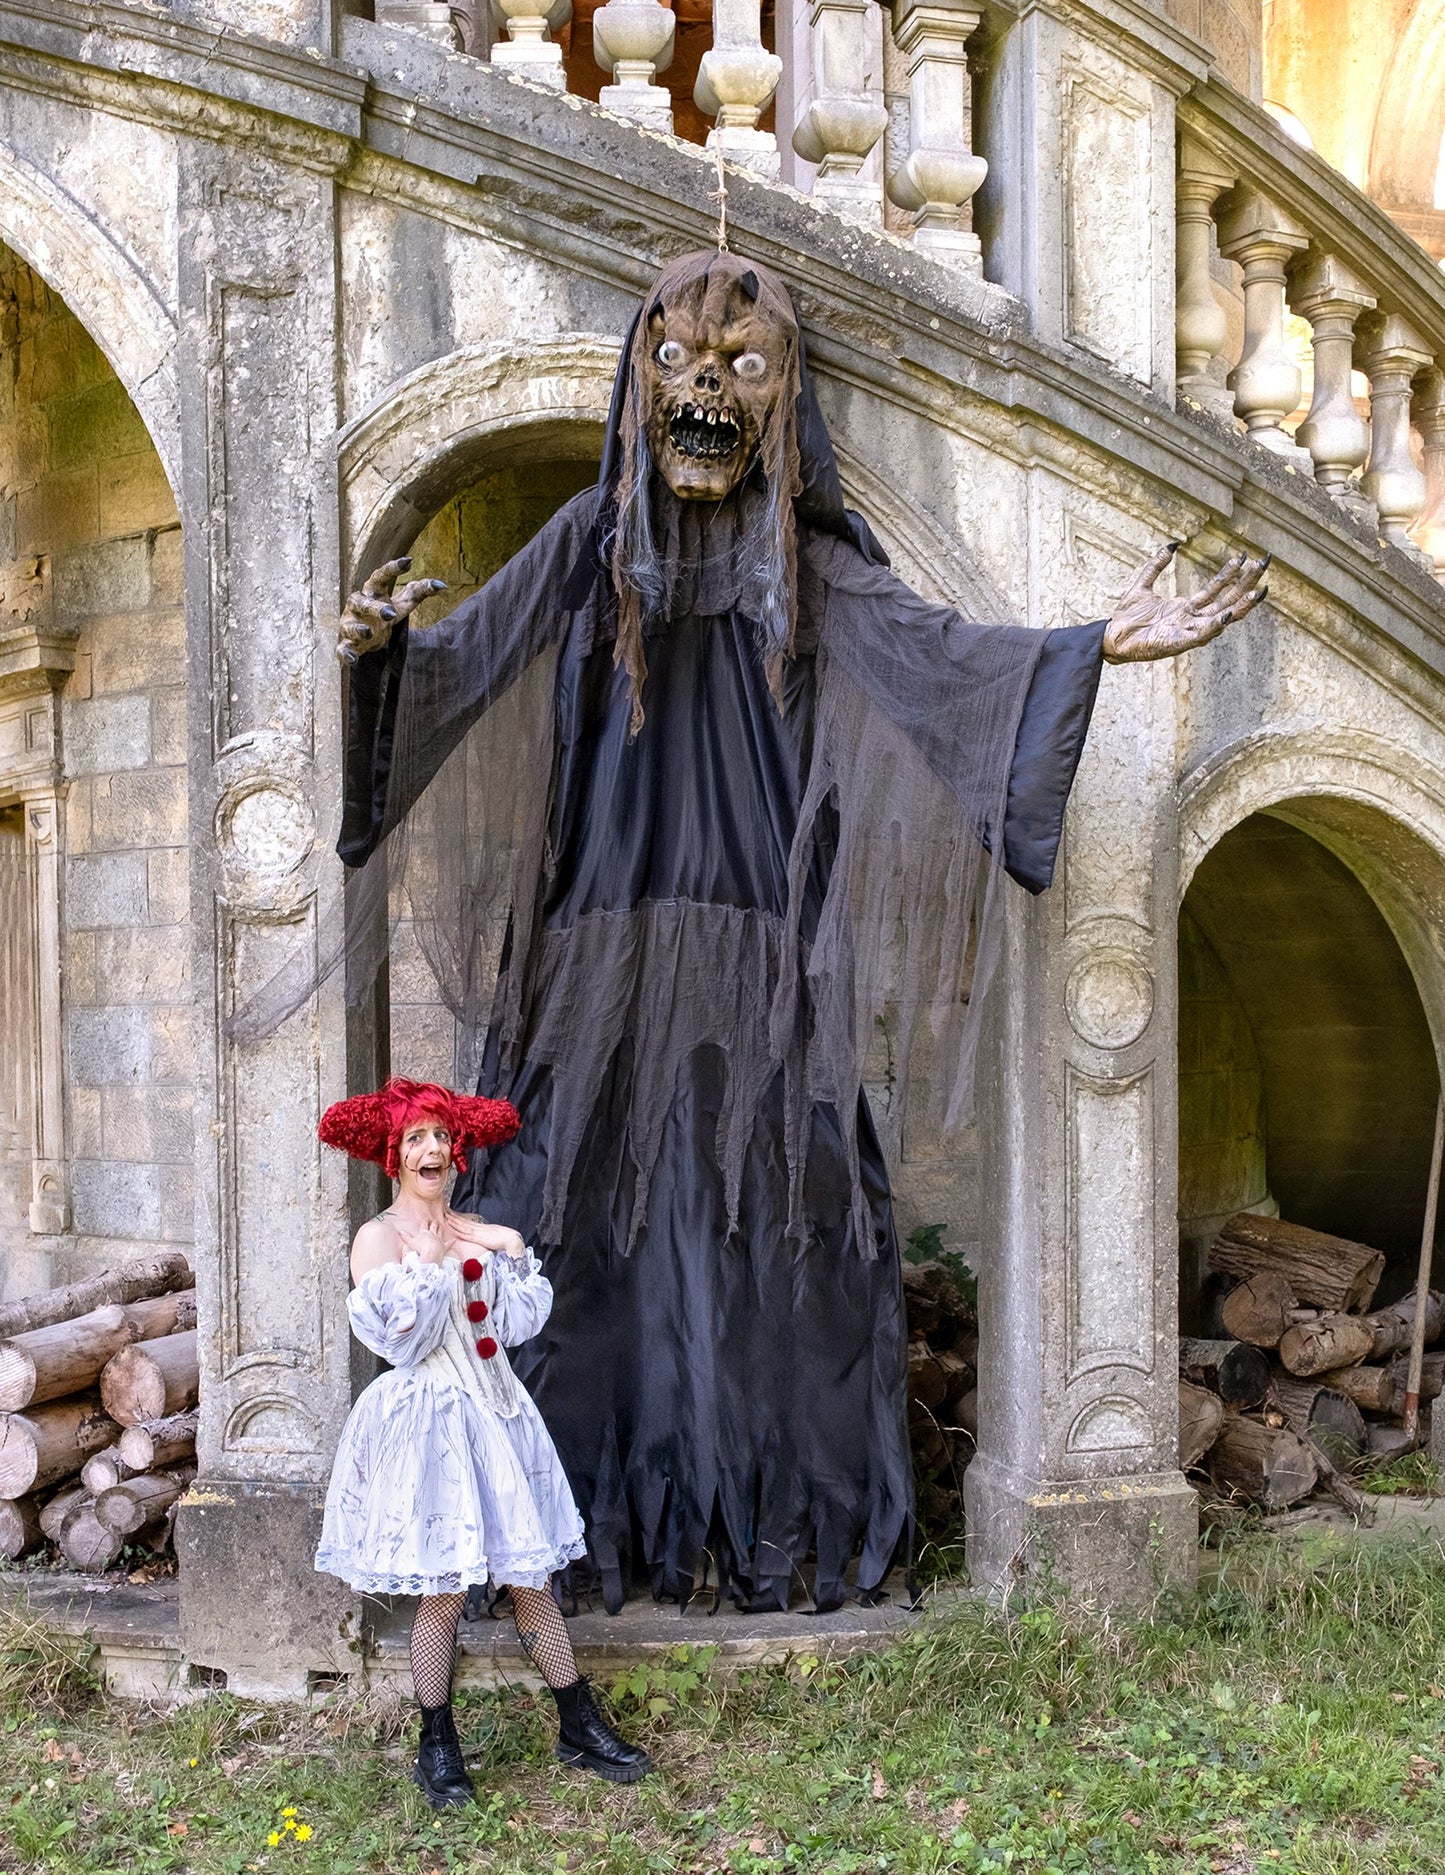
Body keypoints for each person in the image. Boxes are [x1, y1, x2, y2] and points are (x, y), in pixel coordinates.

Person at [314, 1075, 651, 1807]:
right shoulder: (378, 1238)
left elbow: (514, 1325)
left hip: (497, 1416)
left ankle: (578, 1726)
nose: (430, 1148)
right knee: (443, 1590)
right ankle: (437, 1746)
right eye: (415, 1137)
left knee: (531, 1580)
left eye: (440, 1134)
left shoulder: (472, 1227)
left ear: (455, 1149)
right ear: (394, 1156)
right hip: (430, 1421)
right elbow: (399, 1343)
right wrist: (435, 1264)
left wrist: (508, 1244)